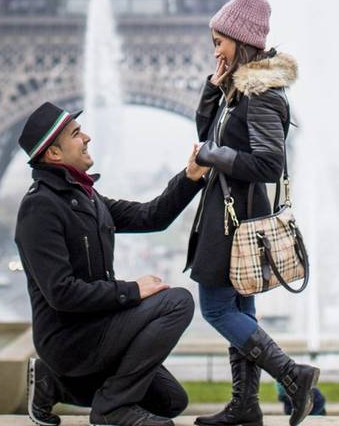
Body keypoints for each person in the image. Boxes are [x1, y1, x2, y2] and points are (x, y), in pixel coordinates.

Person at [15, 101, 209, 426]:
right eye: (76, 134)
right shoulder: (40, 209)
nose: (87, 137)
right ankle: (112, 408)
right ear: (54, 154)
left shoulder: (89, 199)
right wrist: (132, 291)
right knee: (177, 302)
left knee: (172, 401)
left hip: (99, 327)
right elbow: (61, 293)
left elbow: (153, 215)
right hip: (70, 338)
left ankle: (53, 382)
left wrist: (190, 177)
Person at [186, 0, 320, 426]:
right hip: (231, 211)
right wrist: (213, 87)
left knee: (217, 309)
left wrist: (211, 157)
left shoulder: (261, 93)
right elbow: (209, 131)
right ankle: (245, 405)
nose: (216, 50)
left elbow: (268, 162)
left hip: (235, 217)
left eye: (220, 41)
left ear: (240, 40)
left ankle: (292, 375)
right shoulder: (238, 90)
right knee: (240, 311)